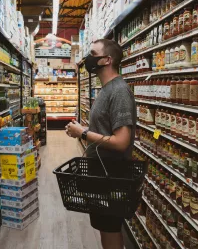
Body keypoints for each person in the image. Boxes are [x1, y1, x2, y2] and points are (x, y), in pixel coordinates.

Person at [65, 39, 136, 249]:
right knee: (105, 226)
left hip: (112, 173)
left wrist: (83, 133)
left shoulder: (119, 91)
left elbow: (122, 141)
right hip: (102, 171)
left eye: (93, 53)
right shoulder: (105, 89)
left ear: (107, 59)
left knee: (111, 226)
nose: (88, 58)